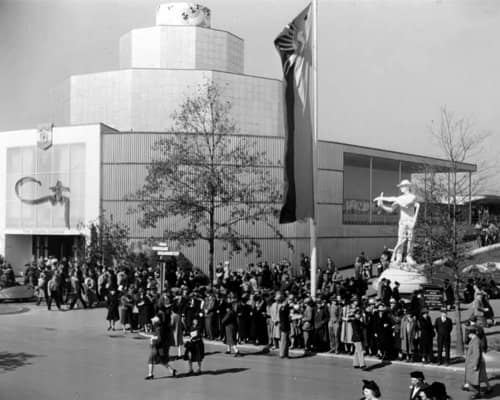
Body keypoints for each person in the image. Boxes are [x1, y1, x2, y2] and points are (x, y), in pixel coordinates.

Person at [374, 179, 420, 264]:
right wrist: (382, 205)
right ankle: (399, 257)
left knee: (410, 240)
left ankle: (409, 256)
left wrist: (388, 198)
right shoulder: (400, 198)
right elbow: (391, 209)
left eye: (402, 186)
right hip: (402, 221)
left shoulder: (412, 197)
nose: (400, 188)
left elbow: (405, 205)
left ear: (407, 187)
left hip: (410, 221)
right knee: (400, 240)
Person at [145, 315, 177, 380]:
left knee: (150, 360)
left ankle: (150, 374)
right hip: (161, 348)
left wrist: (153, 340)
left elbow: (159, 339)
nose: (152, 322)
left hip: (157, 347)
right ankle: (172, 370)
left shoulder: (158, 329)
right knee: (162, 361)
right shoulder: (160, 328)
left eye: (153, 321)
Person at [464, 327, 487, 399]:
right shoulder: (474, 340)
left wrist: (475, 365)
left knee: (474, 380)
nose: (467, 336)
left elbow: (477, 354)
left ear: (471, 334)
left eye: (468, 334)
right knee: (474, 380)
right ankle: (477, 392)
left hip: (473, 364)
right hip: (471, 363)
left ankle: (477, 393)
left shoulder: (476, 341)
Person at [278, 294, 291, 358]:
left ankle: (285, 353)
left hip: (284, 325)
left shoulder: (283, 307)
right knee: (284, 340)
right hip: (284, 325)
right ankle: (282, 354)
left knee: (285, 340)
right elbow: (285, 317)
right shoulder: (284, 308)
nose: (288, 301)